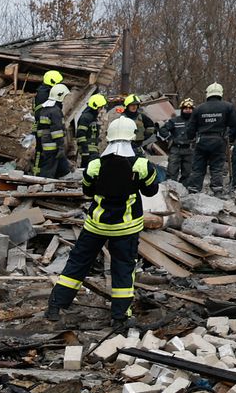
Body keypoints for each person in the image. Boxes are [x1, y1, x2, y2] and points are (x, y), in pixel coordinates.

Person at [45, 116, 157, 332]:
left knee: (77, 264)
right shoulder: (142, 165)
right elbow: (150, 191)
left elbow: (87, 191)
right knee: (123, 268)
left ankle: (55, 307)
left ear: (109, 138)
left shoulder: (95, 164)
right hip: (126, 227)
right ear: (133, 137)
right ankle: (120, 317)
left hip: (95, 225)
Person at [188, 84, 236, 195]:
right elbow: (235, 123)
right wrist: (230, 137)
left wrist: (190, 138)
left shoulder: (199, 108)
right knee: (217, 167)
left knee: (198, 166)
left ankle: (194, 190)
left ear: (208, 93)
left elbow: (191, 128)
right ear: (220, 93)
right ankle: (217, 191)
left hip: (202, 140)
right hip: (219, 140)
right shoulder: (228, 107)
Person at [32, 83, 71, 177]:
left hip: (45, 143)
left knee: (60, 162)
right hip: (52, 144)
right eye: (65, 96)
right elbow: (57, 131)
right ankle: (43, 183)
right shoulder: (55, 111)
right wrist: (60, 146)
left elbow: (41, 129)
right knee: (49, 165)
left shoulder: (45, 109)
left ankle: (66, 175)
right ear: (60, 96)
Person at [160, 99, 197, 187]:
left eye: (190, 108)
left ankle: (184, 191)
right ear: (182, 109)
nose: (188, 110)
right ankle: (170, 189)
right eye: (185, 108)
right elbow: (163, 129)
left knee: (188, 173)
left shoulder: (195, 122)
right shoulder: (174, 120)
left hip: (189, 149)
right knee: (172, 172)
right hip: (176, 149)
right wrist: (169, 138)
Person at [74, 94, 108, 163]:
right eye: (100, 107)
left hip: (93, 150)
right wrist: (85, 151)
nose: (101, 110)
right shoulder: (86, 117)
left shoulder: (92, 117)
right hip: (87, 152)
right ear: (95, 107)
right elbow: (80, 134)